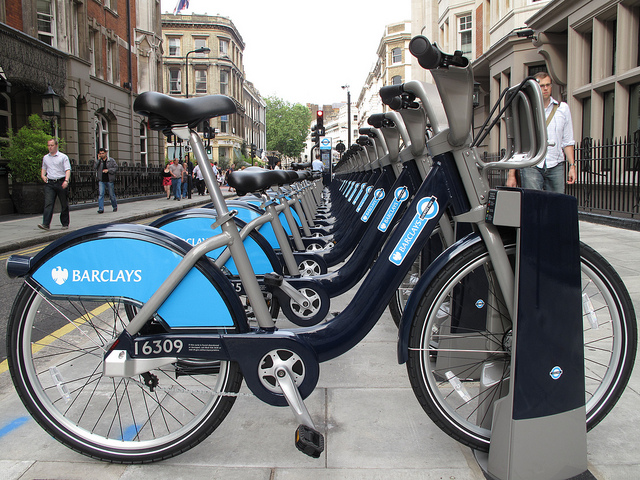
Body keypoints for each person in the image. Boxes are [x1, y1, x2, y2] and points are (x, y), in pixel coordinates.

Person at [506, 72, 576, 193]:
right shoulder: (526, 110)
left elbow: (568, 140)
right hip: (532, 164)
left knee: (556, 205)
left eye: (548, 85)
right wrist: (512, 174)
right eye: (542, 85)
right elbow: (518, 144)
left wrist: (572, 166)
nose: (545, 88)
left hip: (556, 164)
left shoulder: (562, 108)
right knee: (533, 204)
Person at [38, 138, 71, 230]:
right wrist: (43, 175)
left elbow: (67, 169)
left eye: (52, 145)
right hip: (50, 183)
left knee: (64, 204)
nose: (50, 147)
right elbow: (44, 168)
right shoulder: (46, 157)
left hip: (61, 182)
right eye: (48, 145)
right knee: (48, 203)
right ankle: (46, 224)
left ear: (56, 146)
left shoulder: (63, 157)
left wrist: (66, 180)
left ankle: (65, 223)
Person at [94, 147, 118, 213]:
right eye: (100, 154)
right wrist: (98, 160)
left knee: (111, 195)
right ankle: (101, 209)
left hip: (109, 180)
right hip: (101, 180)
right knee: (101, 194)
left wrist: (108, 170)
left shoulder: (111, 160)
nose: (102, 155)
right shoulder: (99, 161)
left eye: (103, 153)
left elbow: (116, 168)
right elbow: (94, 167)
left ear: (105, 153)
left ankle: (115, 206)